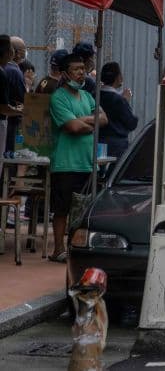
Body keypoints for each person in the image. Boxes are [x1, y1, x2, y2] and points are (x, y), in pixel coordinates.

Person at [48, 52, 107, 262]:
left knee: (84, 210)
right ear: (65, 73)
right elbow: (72, 127)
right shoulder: (58, 98)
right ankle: (58, 249)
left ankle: (77, 247)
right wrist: (89, 123)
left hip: (87, 162)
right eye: (76, 69)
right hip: (65, 163)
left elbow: (104, 119)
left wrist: (84, 120)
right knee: (62, 209)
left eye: (82, 69)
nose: (81, 73)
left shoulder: (88, 96)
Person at [98, 62, 139, 159]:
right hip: (117, 147)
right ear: (118, 77)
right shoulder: (118, 100)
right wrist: (125, 101)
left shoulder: (95, 95)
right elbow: (131, 123)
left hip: (98, 143)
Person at [4, 36, 27, 155]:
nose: (25, 54)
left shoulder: (5, 68)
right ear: (16, 53)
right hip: (10, 121)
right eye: (24, 50)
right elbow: (22, 98)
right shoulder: (14, 71)